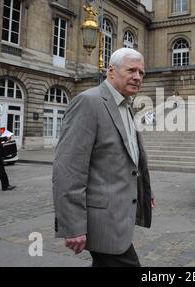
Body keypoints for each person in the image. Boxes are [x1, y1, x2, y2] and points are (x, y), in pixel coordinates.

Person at [52, 48, 154, 267]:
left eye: (142, 73)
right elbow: (69, 169)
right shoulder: (89, 102)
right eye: (131, 70)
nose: (137, 77)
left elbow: (129, 159)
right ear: (111, 71)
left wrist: (144, 191)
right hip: (102, 221)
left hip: (118, 216)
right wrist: (73, 226)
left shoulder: (126, 106)